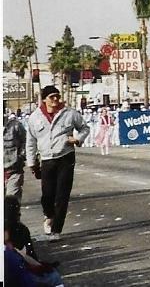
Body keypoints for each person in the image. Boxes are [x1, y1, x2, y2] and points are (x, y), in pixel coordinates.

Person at [24, 85, 90, 241]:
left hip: (65, 157)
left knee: (62, 195)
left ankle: (56, 230)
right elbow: (31, 141)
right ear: (44, 99)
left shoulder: (69, 114)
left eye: (57, 96)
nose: (55, 100)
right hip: (46, 159)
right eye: (52, 97)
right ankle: (49, 215)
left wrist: (78, 139)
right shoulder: (35, 117)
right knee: (47, 195)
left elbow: (84, 128)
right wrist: (32, 162)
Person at [3, 113, 27, 202]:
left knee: (11, 205)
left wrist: (21, 156)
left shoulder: (15, 126)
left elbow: (26, 141)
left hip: (13, 171)